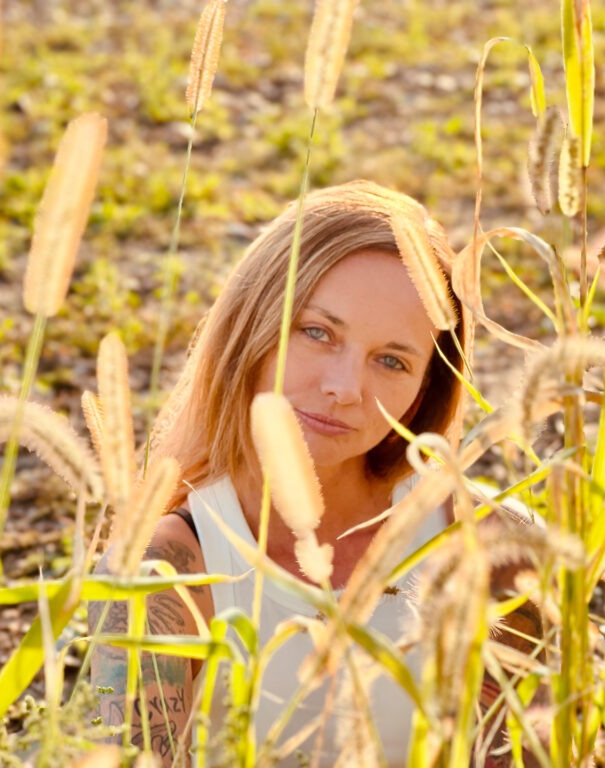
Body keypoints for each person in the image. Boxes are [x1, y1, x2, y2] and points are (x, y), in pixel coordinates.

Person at [89, 180, 543, 767]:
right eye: (317, 333)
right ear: (250, 330)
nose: (345, 388)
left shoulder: (492, 545)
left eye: (391, 361)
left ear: (424, 390)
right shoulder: (161, 573)